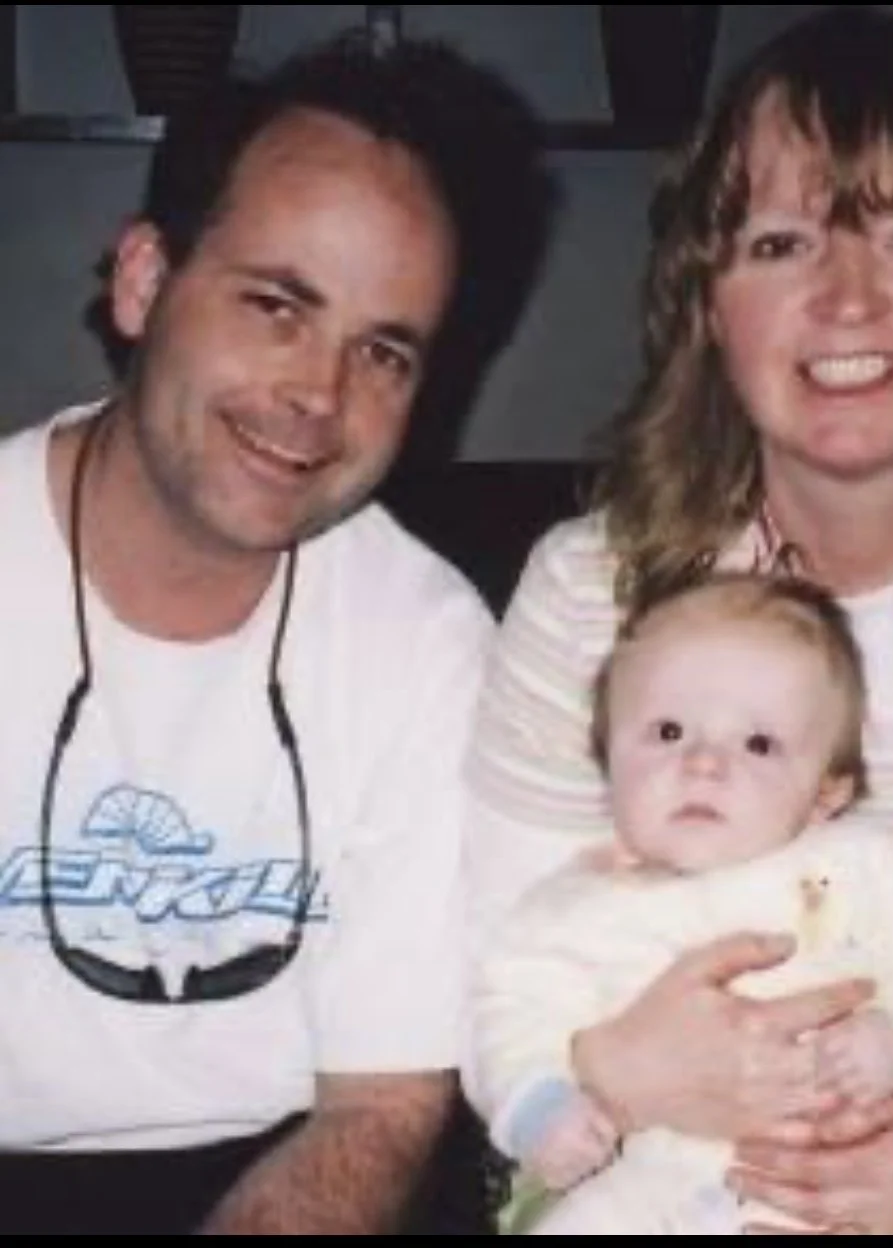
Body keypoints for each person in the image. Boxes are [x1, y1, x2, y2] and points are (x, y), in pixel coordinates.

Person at [466, 6, 893, 1236]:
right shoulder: (591, 595)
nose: (847, 300)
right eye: (781, 242)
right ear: (707, 304)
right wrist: (626, 1075)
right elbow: (488, 978)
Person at [0, 28, 551, 1236]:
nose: (319, 395)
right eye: (275, 306)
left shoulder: (427, 640)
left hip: (290, 1173)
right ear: (145, 282)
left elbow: (382, 1107)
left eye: (384, 351)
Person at [471, 573, 893, 1235]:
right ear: (607, 759)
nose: (703, 762)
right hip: (660, 1179)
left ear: (826, 793)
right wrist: (541, 1107)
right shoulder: (572, 910)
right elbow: (510, 1018)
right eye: (667, 731)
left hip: (861, 1166)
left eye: (758, 744)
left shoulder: (864, 866)